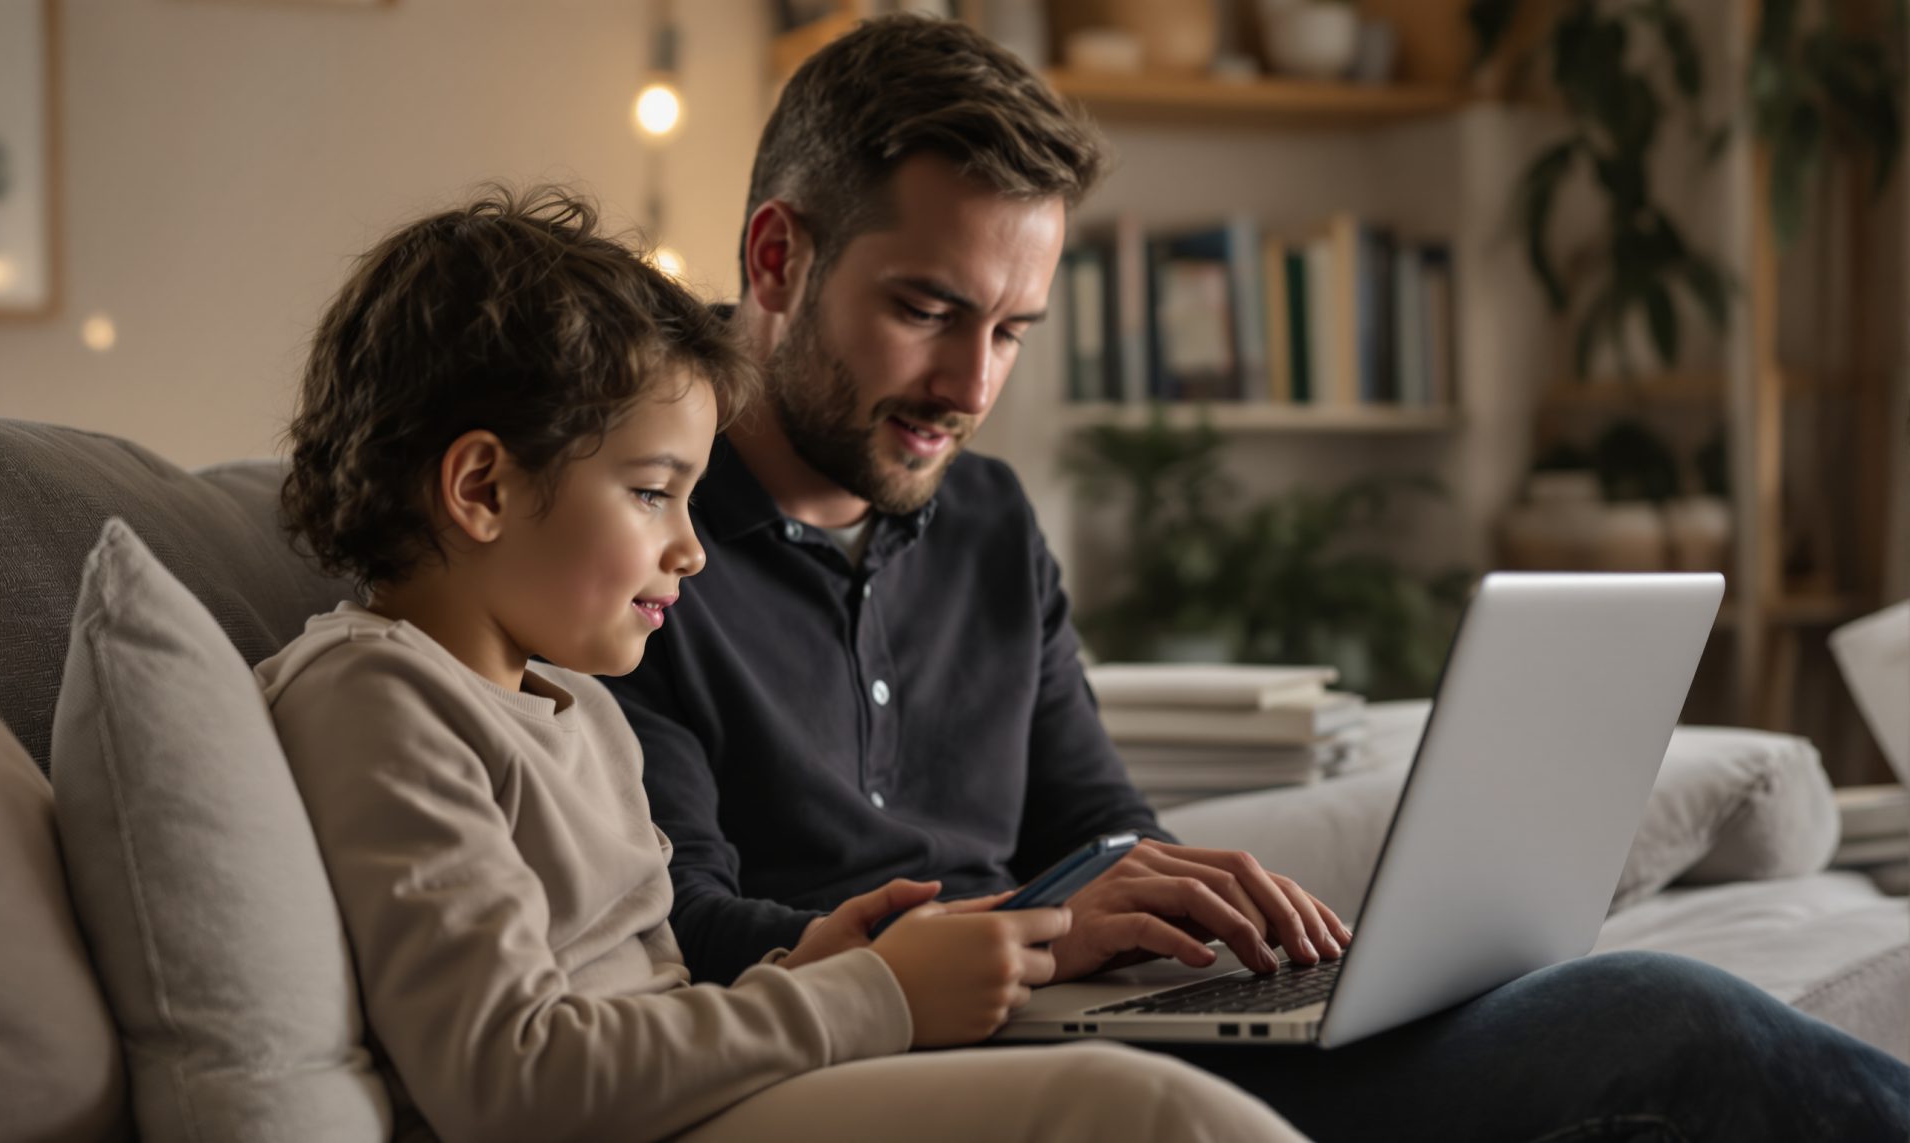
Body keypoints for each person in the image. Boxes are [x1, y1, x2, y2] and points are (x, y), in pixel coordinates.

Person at [602, 15, 1910, 1141]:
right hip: (933, 1052)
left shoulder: (990, 518)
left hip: (1102, 1023)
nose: (971, 386)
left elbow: (1100, 822)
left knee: (1623, 1014)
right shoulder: (627, 544)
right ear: (776, 260)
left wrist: (1174, 901)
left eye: (1010, 330)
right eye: (928, 310)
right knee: (1662, 1023)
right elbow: (691, 931)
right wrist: (1051, 924)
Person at [258, 184, 1307, 1143]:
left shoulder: (573, 703)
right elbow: (508, 1079)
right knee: (1136, 1112)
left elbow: (651, 994)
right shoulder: (377, 699)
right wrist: (872, 995)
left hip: (704, 1093)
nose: (691, 547)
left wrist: (816, 962)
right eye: (651, 491)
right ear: (481, 487)